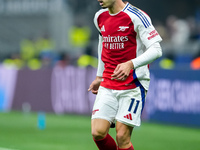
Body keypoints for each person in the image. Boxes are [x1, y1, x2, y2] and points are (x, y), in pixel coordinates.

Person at [88, 0, 162, 150]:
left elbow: (156, 50)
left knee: (122, 137)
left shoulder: (137, 16)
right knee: (98, 132)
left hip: (132, 84)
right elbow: (102, 43)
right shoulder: (99, 17)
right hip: (108, 82)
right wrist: (99, 76)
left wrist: (131, 64)